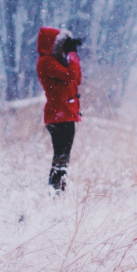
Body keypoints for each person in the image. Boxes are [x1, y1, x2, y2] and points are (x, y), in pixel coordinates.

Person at [36, 27, 82, 191]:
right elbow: (71, 75)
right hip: (59, 115)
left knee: (63, 156)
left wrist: (71, 56)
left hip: (65, 113)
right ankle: (56, 189)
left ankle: (58, 188)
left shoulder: (56, 62)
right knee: (61, 156)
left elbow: (77, 78)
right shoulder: (46, 62)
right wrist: (71, 54)